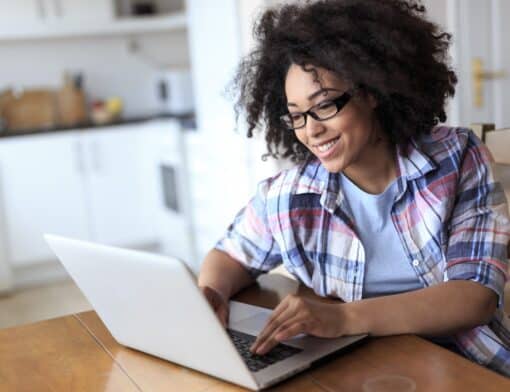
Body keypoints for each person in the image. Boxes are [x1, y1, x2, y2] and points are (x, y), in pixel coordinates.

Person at [198, 0, 510, 376]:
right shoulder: (290, 196)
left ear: (372, 90)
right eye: (296, 115)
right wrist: (211, 295)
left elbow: (473, 297)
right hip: (361, 369)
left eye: (325, 105)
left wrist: (342, 318)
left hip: (466, 366)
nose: (311, 130)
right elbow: (230, 255)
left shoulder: (456, 158)